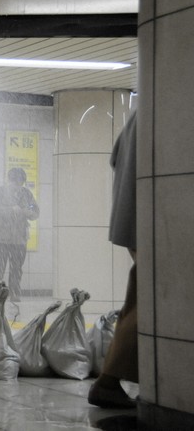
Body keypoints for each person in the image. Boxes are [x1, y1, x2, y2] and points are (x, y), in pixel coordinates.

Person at [88, 111, 138, 409]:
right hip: (149, 219)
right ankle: (109, 380)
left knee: (142, 297)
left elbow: (115, 157)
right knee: (146, 302)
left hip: (132, 218)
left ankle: (111, 380)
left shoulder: (141, 114)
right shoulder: (169, 104)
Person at [0, 167, 39, 301]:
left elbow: (34, 209)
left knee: (17, 268)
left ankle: (15, 293)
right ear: (9, 180)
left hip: (20, 238)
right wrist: (11, 210)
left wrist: (29, 211)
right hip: (2, 237)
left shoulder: (27, 194)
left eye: (21, 182)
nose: (18, 186)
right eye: (15, 182)